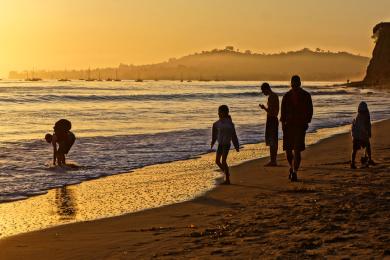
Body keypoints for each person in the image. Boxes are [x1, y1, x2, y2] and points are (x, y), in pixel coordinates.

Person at [280, 75, 313, 182]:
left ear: (299, 83)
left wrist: (307, 122)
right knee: (289, 151)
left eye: (295, 83)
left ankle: (294, 171)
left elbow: (310, 110)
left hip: (300, 126)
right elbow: (283, 113)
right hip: (288, 126)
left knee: (297, 150)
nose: (294, 84)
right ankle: (292, 167)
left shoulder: (306, 95)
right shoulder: (287, 96)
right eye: (293, 83)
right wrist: (283, 126)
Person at [211, 105, 240, 184]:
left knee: (223, 161)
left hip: (226, 144)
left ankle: (227, 179)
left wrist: (236, 145)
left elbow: (234, 135)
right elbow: (214, 133)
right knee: (217, 161)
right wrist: (213, 142)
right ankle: (226, 172)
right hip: (220, 144)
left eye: (220, 112)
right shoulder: (217, 123)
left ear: (225, 112)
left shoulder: (230, 124)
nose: (218, 113)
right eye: (218, 112)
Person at [259, 82, 279, 166]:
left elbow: (271, 112)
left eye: (263, 91)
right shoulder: (274, 96)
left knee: (272, 141)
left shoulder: (271, 97)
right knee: (273, 140)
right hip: (273, 120)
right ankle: (273, 160)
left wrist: (264, 108)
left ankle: (273, 161)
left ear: (266, 89)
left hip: (272, 120)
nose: (263, 93)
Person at [351, 101, 374, 169]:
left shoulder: (360, 115)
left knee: (355, 149)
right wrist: (368, 133)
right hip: (360, 134)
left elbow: (366, 125)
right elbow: (366, 125)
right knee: (366, 145)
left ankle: (354, 162)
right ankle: (367, 159)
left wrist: (368, 132)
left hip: (356, 134)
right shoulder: (364, 115)